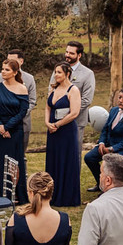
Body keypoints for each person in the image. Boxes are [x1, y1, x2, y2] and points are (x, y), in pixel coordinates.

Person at [0, 58, 30, 203]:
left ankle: (16, 194)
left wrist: (8, 127)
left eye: (7, 70)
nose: (3, 72)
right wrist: (0, 127)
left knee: (15, 162)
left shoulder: (22, 88)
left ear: (15, 72)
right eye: (2, 69)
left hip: (15, 129)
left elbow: (23, 111)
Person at [83, 88, 123, 191]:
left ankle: (111, 189)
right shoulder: (114, 110)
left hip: (122, 149)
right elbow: (105, 129)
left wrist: (111, 149)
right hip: (106, 145)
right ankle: (100, 184)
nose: (120, 100)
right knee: (89, 157)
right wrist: (101, 142)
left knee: (113, 165)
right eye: (119, 97)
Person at [44, 63, 83, 207]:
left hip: (66, 130)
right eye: (55, 72)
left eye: (59, 72)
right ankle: (52, 194)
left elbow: (74, 113)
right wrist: (47, 123)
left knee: (66, 160)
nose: (56, 75)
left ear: (67, 74)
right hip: (52, 131)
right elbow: (48, 107)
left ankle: (66, 196)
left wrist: (58, 124)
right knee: (53, 159)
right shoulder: (53, 89)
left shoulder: (73, 90)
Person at [0, 49, 38, 149]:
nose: (9, 63)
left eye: (13, 60)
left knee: (20, 155)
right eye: (7, 60)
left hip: (22, 123)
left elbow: (32, 101)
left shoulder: (29, 78)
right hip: (2, 124)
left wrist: (16, 117)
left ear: (21, 61)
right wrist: (4, 125)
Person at [55, 41, 96, 138]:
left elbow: (86, 100)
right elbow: (51, 91)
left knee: (74, 152)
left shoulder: (88, 74)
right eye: (67, 52)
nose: (67, 55)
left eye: (71, 53)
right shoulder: (58, 70)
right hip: (56, 119)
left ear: (79, 55)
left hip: (76, 122)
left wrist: (67, 114)